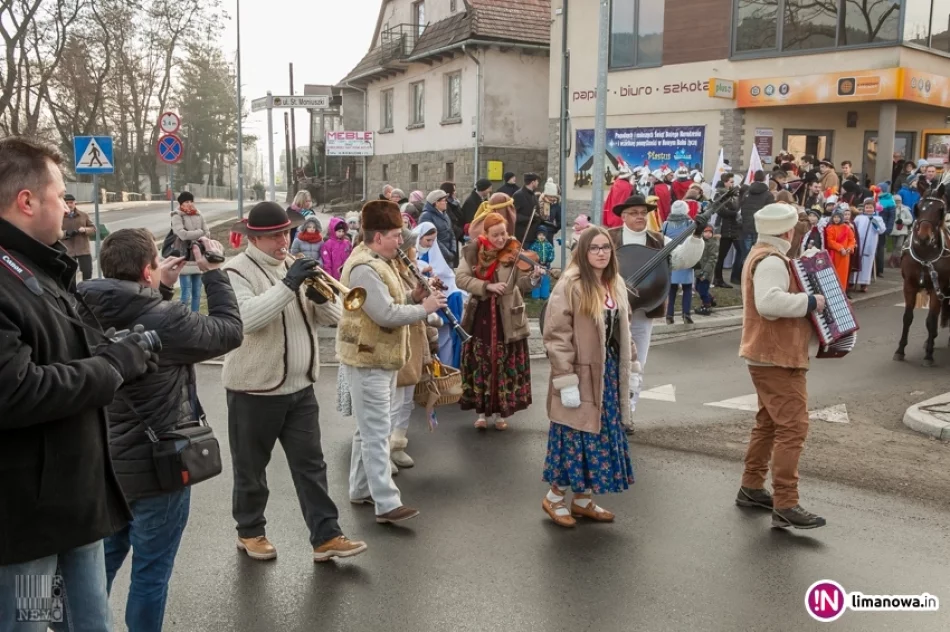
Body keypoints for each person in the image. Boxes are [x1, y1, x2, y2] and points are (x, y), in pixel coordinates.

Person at [0, 136, 156, 631]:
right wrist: (112, 367)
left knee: (92, 623)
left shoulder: (39, 266)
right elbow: (14, 390)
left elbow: (62, 350)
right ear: (27, 201)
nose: (69, 207)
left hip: (76, 504)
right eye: (61, 196)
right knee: (29, 623)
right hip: (29, 523)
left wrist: (118, 349)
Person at [77, 228, 242, 631]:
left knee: (100, 565)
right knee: (150, 574)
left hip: (105, 464)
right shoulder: (167, 319)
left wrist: (162, 289)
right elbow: (229, 331)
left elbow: (138, 325)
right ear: (147, 269)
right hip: (158, 468)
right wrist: (215, 273)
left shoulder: (80, 309)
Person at [223, 202, 367, 562]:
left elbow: (334, 317)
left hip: (301, 386)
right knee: (251, 468)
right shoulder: (235, 271)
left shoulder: (294, 266)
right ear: (255, 238)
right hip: (254, 388)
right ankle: (250, 531)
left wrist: (322, 296)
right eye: (273, 236)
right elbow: (247, 319)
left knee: (311, 466)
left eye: (285, 233)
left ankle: (326, 536)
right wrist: (290, 285)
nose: (282, 241)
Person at [338, 200, 446, 524]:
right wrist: (424, 309)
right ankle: (386, 503)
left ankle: (359, 489)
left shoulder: (379, 261)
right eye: (397, 236)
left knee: (368, 429)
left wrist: (413, 297)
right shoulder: (364, 268)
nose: (401, 242)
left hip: (380, 357)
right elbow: (384, 314)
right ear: (379, 236)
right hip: (369, 357)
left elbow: (391, 302)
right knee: (376, 432)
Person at [735, 203, 827, 530]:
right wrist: (810, 302)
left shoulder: (760, 253)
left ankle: (751, 486)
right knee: (793, 427)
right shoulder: (773, 260)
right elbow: (769, 304)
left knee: (769, 423)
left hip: (766, 353)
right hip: (776, 356)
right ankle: (786, 502)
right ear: (787, 232)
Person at [540, 226, 638, 528]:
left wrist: (631, 364)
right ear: (583, 252)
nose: (600, 253)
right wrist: (566, 377)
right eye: (594, 248)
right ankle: (554, 498)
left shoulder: (615, 283)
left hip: (607, 374)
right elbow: (556, 335)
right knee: (576, 436)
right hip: (580, 373)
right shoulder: (571, 284)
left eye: (605, 247)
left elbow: (625, 329)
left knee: (599, 435)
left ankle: (582, 500)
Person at [607, 194, 705, 433]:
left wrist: (697, 236)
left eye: (643, 212)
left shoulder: (659, 240)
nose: (640, 217)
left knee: (637, 362)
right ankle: (606, 412)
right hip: (609, 309)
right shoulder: (609, 238)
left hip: (644, 308)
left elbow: (684, 259)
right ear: (623, 216)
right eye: (634, 213)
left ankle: (628, 413)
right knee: (606, 361)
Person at [456, 212, 542, 430]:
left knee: (502, 361)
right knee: (481, 361)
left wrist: (533, 278)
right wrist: (486, 286)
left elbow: (521, 284)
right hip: (481, 313)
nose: (502, 239)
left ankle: (500, 414)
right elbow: (461, 278)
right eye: (495, 235)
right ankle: (481, 414)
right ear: (485, 234)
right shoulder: (473, 251)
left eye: (503, 233)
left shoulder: (513, 251)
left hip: (508, 315)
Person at [388, 229, 438, 471]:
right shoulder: (390, 271)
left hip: (415, 339)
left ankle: (398, 444)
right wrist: (421, 304)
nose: (415, 251)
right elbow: (392, 307)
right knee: (393, 400)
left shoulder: (410, 269)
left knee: (407, 398)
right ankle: (384, 450)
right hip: (398, 340)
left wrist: (427, 297)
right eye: (412, 246)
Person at [414, 220, 466, 369]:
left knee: (444, 339)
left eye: (433, 240)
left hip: (438, 299)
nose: (430, 244)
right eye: (427, 240)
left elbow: (445, 274)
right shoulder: (412, 252)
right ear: (419, 237)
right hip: (421, 302)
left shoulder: (433, 253)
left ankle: (447, 369)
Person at [171, 191, 210, 313]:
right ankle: (183, 318)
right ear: (181, 203)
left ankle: (195, 317)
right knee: (186, 292)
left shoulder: (199, 214)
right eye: (186, 202)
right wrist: (199, 232)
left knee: (197, 292)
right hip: (185, 256)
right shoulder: (177, 215)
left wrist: (195, 234)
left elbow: (207, 232)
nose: (189, 204)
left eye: (191, 201)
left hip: (198, 255)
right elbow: (182, 235)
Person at [735, 170, 774, 283]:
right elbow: (770, 212)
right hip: (760, 229)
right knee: (759, 254)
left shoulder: (747, 193)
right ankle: (755, 279)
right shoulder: (768, 195)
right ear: (764, 179)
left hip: (746, 227)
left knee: (746, 254)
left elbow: (740, 208)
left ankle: (744, 279)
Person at [662, 200, 696, 325]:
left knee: (671, 289)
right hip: (686, 258)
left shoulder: (665, 224)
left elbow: (661, 240)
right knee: (687, 288)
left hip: (671, 259)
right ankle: (686, 313)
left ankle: (669, 315)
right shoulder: (690, 223)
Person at [850, 198, 887, 292]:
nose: (869, 209)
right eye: (867, 207)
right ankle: (852, 281)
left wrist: (873, 221)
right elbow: (854, 228)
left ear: (874, 208)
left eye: (871, 208)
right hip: (859, 242)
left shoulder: (878, 218)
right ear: (864, 208)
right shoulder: (859, 218)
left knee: (867, 263)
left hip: (870, 243)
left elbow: (881, 230)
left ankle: (864, 283)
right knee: (856, 261)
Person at [713, 173, 740, 288]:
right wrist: (736, 213)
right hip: (724, 228)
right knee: (721, 256)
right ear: (725, 182)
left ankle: (735, 277)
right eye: (731, 182)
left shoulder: (732, 194)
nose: (732, 184)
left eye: (733, 182)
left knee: (741, 251)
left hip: (734, 228)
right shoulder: (719, 194)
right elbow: (721, 211)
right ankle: (717, 279)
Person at [62, 193, 97, 281]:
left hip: (83, 249)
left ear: (75, 203)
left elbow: (93, 229)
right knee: (69, 275)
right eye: (67, 203)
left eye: (71, 202)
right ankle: (71, 293)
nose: (69, 205)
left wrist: (85, 230)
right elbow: (54, 233)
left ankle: (86, 291)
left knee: (87, 272)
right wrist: (66, 233)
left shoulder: (83, 215)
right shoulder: (59, 216)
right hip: (68, 251)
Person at [419, 189, 458, 267]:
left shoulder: (445, 215)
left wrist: (453, 250)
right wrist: (447, 253)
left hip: (448, 257)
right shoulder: (426, 216)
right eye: (444, 200)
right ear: (436, 203)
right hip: (437, 257)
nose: (446, 202)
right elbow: (432, 239)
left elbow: (451, 233)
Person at [824, 208, 855, 291]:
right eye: (834, 217)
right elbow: (830, 241)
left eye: (838, 217)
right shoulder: (830, 228)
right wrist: (840, 248)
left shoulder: (847, 228)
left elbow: (852, 240)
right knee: (833, 274)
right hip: (834, 254)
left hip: (845, 255)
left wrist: (849, 248)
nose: (836, 219)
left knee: (843, 275)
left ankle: (842, 292)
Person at [513, 173, 542, 248]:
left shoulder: (533, 195)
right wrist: (530, 218)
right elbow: (514, 215)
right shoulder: (518, 195)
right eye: (537, 181)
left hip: (533, 234)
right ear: (533, 182)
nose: (538, 183)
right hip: (523, 234)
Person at [695, 224, 718, 315]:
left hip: (706, 272)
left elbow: (712, 260)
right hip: (698, 270)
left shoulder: (713, 244)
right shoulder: (700, 242)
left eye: (710, 232)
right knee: (697, 287)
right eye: (706, 232)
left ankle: (706, 306)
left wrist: (705, 273)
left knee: (702, 290)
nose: (708, 234)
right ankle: (711, 299)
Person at [602, 165, 634, 230]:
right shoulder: (628, 187)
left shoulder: (616, 184)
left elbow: (609, 200)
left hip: (612, 215)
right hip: (623, 218)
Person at [876, 183, 897, 275]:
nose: (877, 190)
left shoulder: (890, 201)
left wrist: (889, 228)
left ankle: (879, 270)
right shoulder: (875, 198)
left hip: (882, 228)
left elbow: (892, 217)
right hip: (873, 227)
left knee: (880, 248)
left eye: (879, 189)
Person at [441, 182, 465, 255]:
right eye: (453, 191)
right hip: (452, 237)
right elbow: (451, 222)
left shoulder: (455, 203)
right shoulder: (446, 206)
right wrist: (460, 232)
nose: (455, 192)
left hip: (456, 236)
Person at [529, 229, 555, 300]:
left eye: (543, 235)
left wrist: (548, 260)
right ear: (537, 236)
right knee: (536, 280)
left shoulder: (549, 245)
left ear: (545, 236)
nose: (541, 236)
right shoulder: (534, 245)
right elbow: (531, 254)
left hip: (546, 266)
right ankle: (536, 296)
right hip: (536, 266)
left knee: (545, 280)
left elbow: (552, 254)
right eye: (540, 235)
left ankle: (545, 295)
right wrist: (536, 261)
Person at [889, 194, 913, 267]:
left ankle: (896, 260)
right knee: (893, 247)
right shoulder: (891, 209)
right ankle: (894, 260)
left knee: (899, 246)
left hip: (902, 230)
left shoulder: (905, 209)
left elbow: (910, 220)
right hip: (892, 230)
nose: (897, 202)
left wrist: (902, 221)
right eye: (896, 201)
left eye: (899, 201)